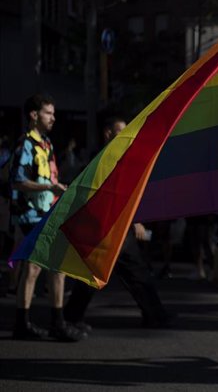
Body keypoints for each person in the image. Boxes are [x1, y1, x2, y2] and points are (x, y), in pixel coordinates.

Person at [64, 117, 174, 330]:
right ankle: (71, 316)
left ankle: (154, 314)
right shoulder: (106, 158)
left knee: (131, 272)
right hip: (106, 227)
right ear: (108, 133)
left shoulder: (115, 156)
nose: (126, 135)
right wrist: (136, 221)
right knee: (104, 273)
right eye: (120, 131)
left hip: (115, 226)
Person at [10, 93, 86, 341]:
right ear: (34, 115)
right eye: (48, 113)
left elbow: (48, 179)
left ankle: (52, 321)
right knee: (36, 267)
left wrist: (58, 188)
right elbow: (18, 181)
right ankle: (34, 323)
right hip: (30, 214)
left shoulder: (47, 144)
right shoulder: (26, 145)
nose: (53, 118)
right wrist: (49, 188)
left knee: (54, 266)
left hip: (47, 212)